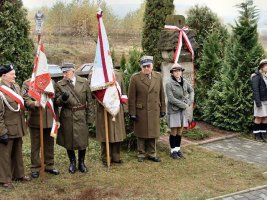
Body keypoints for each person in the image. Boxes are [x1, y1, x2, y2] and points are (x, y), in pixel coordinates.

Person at [128, 56, 166, 162]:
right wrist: (132, 113)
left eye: (148, 66)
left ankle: (152, 153)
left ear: (152, 66)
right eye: (144, 66)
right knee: (141, 133)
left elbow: (161, 94)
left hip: (154, 109)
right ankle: (141, 153)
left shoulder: (158, 77)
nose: (146, 68)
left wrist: (163, 108)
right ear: (141, 67)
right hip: (141, 111)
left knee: (153, 132)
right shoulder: (135, 78)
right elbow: (131, 97)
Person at [55, 63, 91, 173]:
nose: (64, 74)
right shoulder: (59, 84)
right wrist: (62, 98)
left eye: (67, 72)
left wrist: (90, 118)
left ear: (73, 71)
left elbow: (89, 101)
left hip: (81, 114)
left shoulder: (84, 82)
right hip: (67, 114)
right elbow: (56, 102)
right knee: (68, 139)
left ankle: (81, 162)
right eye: (63, 72)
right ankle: (72, 163)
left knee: (82, 139)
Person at [0, 64, 31, 189]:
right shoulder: (1, 90)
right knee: (4, 155)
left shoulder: (16, 86)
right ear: (4, 76)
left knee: (17, 152)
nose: (15, 76)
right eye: (12, 74)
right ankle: (4, 179)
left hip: (17, 126)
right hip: (6, 127)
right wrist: (2, 131)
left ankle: (18, 174)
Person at [22, 79, 60, 178]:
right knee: (35, 145)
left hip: (50, 119)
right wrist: (34, 103)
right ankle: (35, 167)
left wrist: (57, 119)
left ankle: (49, 165)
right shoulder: (28, 83)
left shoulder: (51, 82)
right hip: (36, 119)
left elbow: (54, 102)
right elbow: (26, 99)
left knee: (49, 144)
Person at [95, 67, 127, 165]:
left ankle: (116, 157)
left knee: (117, 133)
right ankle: (106, 157)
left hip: (117, 109)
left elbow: (123, 93)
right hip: (104, 109)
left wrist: (125, 109)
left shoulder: (118, 74)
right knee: (106, 134)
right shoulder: (97, 75)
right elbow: (94, 92)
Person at [165, 63, 194, 159]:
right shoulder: (169, 83)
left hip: (183, 110)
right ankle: (172, 151)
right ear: (172, 73)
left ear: (182, 72)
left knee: (180, 131)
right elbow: (171, 98)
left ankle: (177, 149)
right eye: (175, 71)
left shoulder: (184, 81)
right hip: (174, 110)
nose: (178, 72)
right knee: (174, 130)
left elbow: (192, 91)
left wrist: (189, 101)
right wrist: (184, 105)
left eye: (179, 70)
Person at [251, 59, 267, 142]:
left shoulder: (266, 76)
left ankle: (263, 135)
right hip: (260, 101)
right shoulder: (255, 76)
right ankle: (257, 135)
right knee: (258, 118)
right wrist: (258, 102)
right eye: (266, 66)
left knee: (265, 118)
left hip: (266, 100)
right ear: (261, 66)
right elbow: (255, 90)